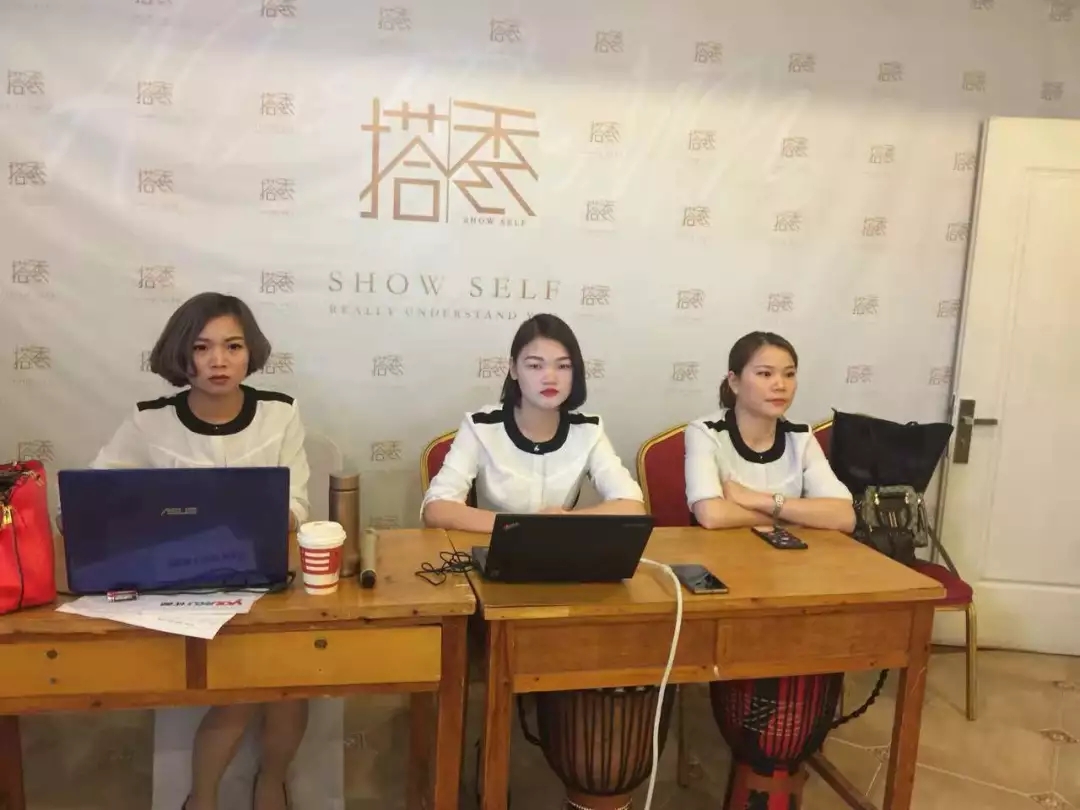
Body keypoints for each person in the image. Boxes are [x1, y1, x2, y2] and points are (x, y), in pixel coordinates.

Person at [89, 292, 329, 810]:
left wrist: (267, 518)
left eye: (233, 346)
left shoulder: (280, 412)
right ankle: (205, 799)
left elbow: (297, 503)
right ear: (182, 354)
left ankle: (268, 784)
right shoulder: (149, 421)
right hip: (175, 582)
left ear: (250, 352)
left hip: (262, 574)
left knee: (289, 680)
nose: (219, 361)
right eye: (202, 348)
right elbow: (93, 501)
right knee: (248, 688)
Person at [421, 313, 645, 527]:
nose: (550, 378)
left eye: (563, 366)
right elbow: (437, 508)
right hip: (494, 547)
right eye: (535, 366)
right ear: (513, 369)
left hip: (558, 549)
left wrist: (563, 522)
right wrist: (522, 526)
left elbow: (632, 505)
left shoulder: (588, 430)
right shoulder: (481, 427)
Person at [684, 331, 855, 532]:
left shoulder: (800, 435)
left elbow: (844, 516)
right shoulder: (706, 432)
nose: (780, 385)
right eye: (765, 374)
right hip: (722, 549)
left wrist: (755, 499)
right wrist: (796, 517)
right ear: (734, 382)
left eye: (789, 374)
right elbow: (712, 515)